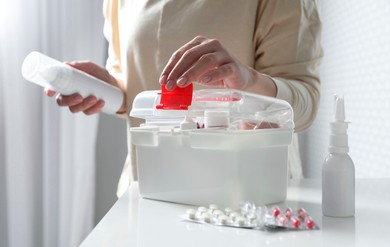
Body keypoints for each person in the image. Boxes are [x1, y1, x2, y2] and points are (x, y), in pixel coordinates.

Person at [47, 0, 322, 197]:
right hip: (148, 190)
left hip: (247, 197)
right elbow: (134, 89)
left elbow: (305, 103)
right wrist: (108, 88)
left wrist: (247, 81)